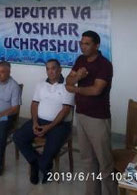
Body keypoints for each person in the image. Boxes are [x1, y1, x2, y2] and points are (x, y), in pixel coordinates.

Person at [65, 30, 116, 195]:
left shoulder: (104, 65)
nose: (83, 46)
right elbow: (68, 81)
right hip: (81, 115)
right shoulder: (80, 60)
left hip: (98, 118)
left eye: (87, 44)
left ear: (97, 45)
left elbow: (96, 90)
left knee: (105, 163)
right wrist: (77, 77)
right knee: (87, 160)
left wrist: (75, 89)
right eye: (81, 43)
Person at [13, 59, 75, 184]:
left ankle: (42, 166)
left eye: (53, 68)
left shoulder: (68, 86)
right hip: (40, 120)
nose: (50, 71)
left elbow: (65, 110)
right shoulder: (41, 84)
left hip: (60, 124)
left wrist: (49, 127)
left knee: (50, 149)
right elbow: (34, 104)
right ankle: (36, 162)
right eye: (48, 69)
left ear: (60, 69)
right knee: (18, 136)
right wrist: (35, 122)